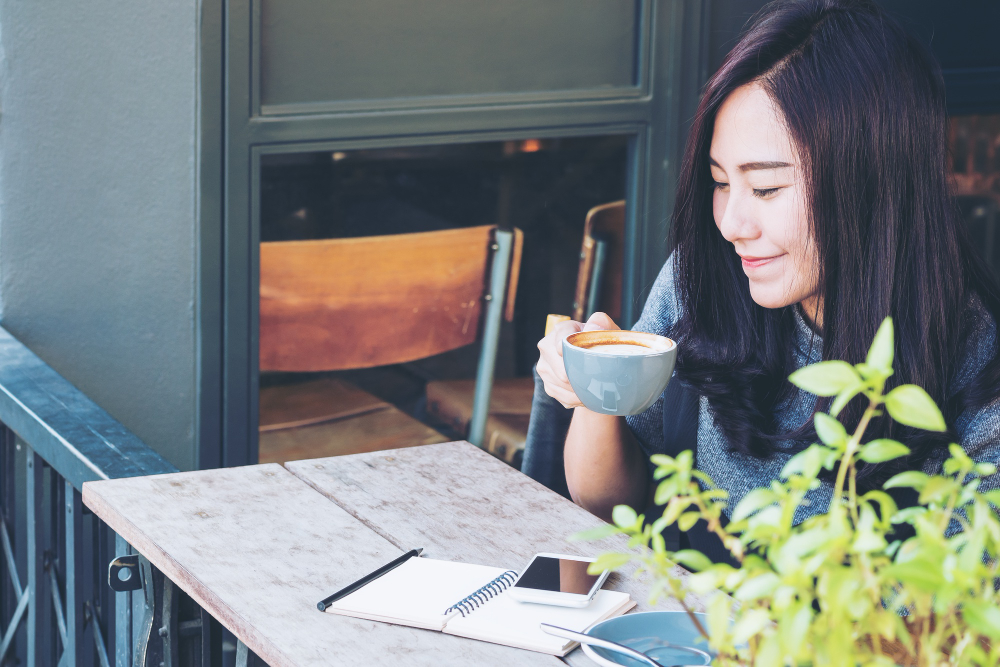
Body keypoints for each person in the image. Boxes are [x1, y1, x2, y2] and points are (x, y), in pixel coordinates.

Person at [533, 0, 1000, 562]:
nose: (731, 225)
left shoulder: (978, 375)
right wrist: (596, 389)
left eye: (767, 188)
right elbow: (610, 512)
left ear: (876, 180)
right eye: (720, 182)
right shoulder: (700, 278)